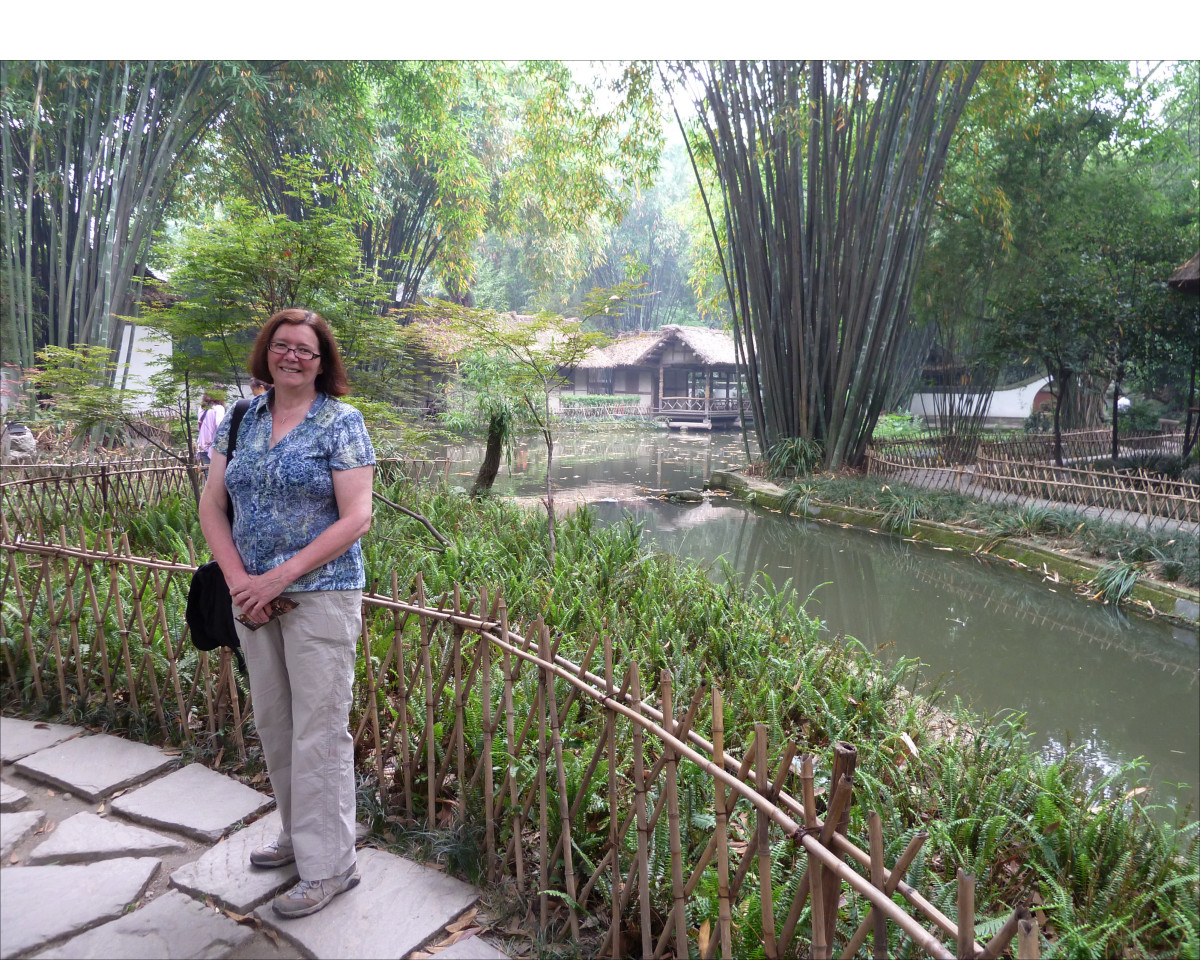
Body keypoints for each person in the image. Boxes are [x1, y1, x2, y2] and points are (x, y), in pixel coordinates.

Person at [198, 308, 375, 919]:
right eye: (281, 345)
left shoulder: (341, 422)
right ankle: (301, 836)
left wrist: (279, 575)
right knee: (275, 721)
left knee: (320, 730)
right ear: (265, 352)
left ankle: (332, 866)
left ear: (323, 361)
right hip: (251, 595)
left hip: (320, 594)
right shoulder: (242, 419)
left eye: (305, 348)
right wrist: (241, 580)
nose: (292, 356)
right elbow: (213, 506)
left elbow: (356, 517)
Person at [196, 392, 226, 464]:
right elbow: (220, 426)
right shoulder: (219, 408)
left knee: (207, 472)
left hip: (202, 446)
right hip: (214, 447)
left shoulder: (201, 408)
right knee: (217, 473)